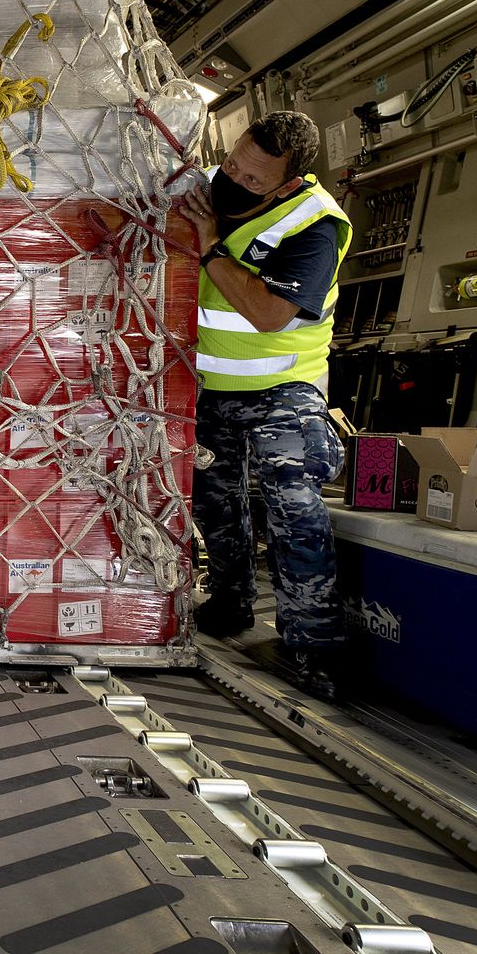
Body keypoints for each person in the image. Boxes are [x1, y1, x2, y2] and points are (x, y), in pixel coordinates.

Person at [181, 111, 352, 700]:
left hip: (284, 386)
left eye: (253, 181)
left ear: (286, 185)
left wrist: (209, 251)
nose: (233, 180)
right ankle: (230, 604)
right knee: (212, 499)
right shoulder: (200, 189)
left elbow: (269, 314)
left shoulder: (314, 226)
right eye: (232, 164)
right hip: (208, 387)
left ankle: (314, 645)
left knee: (293, 504)